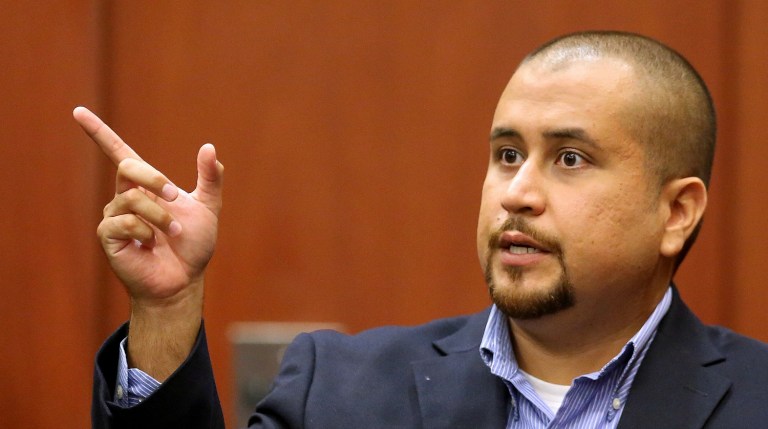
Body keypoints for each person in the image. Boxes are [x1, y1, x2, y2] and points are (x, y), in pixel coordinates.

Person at [79, 31, 768, 429]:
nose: (518, 192)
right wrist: (166, 309)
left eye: (569, 158)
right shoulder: (339, 391)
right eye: (506, 155)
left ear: (676, 212)